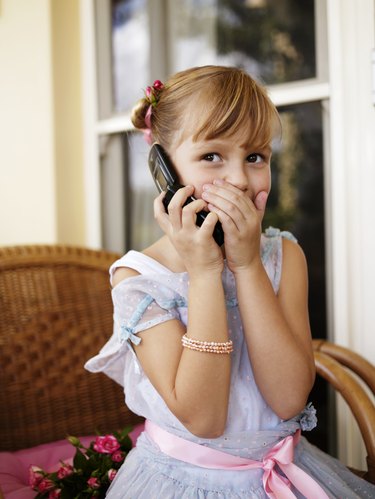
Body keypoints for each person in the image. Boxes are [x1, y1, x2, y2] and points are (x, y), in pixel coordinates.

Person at [85, 66, 375, 498]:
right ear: (164, 168)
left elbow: (289, 398)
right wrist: (204, 274)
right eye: (212, 156)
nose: (240, 179)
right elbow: (203, 419)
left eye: (256, 156)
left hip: (284, 471)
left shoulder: (283, 257)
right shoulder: (141, 281)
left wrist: (246, 266)